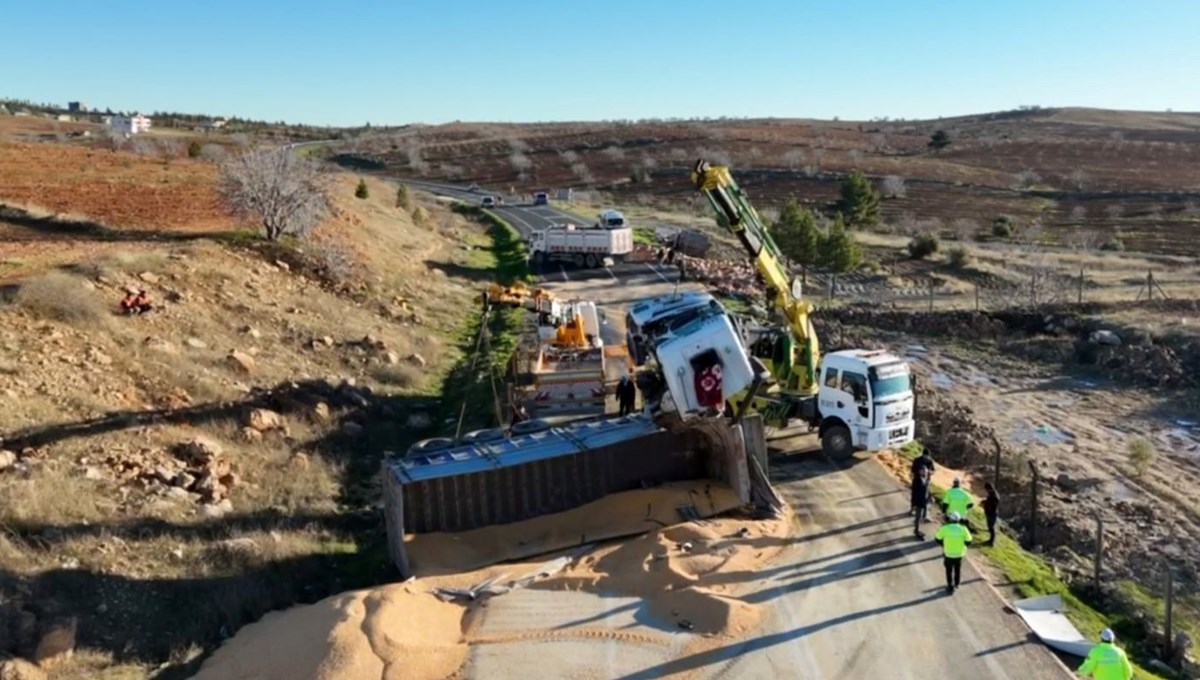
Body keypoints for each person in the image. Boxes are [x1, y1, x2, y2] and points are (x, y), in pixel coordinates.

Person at [934, 511, 972, 594]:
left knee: (949, 570)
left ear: (950, 519)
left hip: (948, 553)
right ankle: (957, 583)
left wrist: (943, 544)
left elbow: (937, 538)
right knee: (957, 569)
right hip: (959, 554)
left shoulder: (945, 528)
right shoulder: (963, 529)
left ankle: (950, 586)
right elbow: (969, 541)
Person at [910, 448, 935, 515]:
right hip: (917, 479)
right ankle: (913, 508)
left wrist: (930, 472)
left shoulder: (930, 461)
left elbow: (933, 470)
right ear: (923, 454)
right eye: (925, 456)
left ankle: (924, 512)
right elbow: (912, 470)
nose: (926, 457)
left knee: (925, 496)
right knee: (914, 494)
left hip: (926, 481)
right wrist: (912, 476)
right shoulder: (917, 460)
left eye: (927, 456)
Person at [912, 465, 931, 540]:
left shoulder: (926, 479)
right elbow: (914, 492)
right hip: (919, 501)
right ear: (920, 472)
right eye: (924, 471)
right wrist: (913, 503)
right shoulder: (917, 480)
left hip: (924, 501)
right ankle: (916, 530)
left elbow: (927, 490)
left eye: (926, 471)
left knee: (922, 516)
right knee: (918, 517)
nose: (925, 472)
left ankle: (918, 529)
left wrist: (929, 497)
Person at [982, 482, 1001, 546]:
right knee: (990, 527)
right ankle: (990, 540)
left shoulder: (994, 495)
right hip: (989, 512)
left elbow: (993, 503)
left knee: (991, 527)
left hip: (992, 513)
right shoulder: (991, 494)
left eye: (986, 489)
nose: (986, 491)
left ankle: (992, 541)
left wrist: (985, 503)